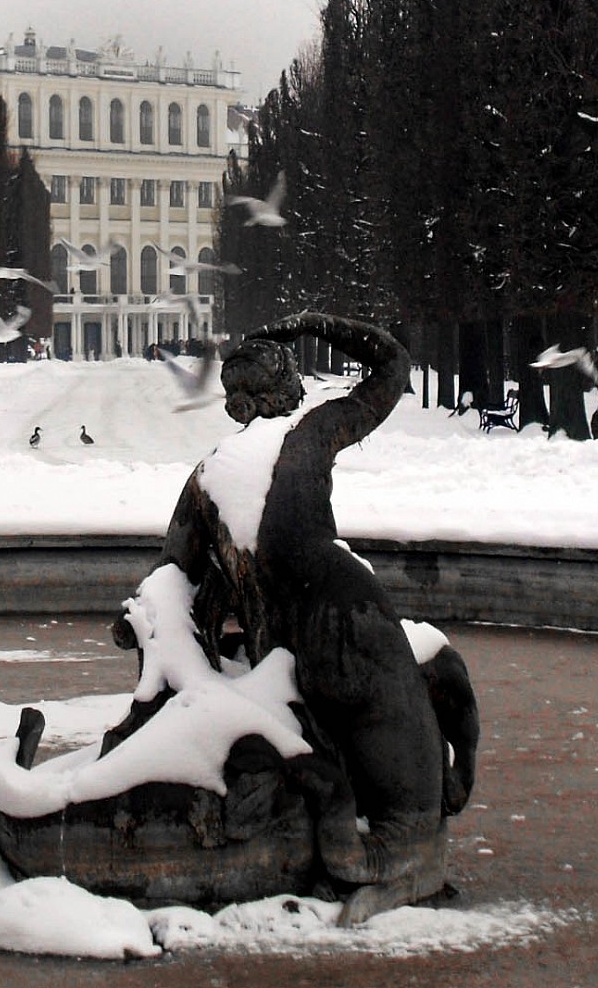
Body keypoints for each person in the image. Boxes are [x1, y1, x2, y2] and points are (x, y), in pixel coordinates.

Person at [156, 311, 479, 922]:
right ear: (289, 390)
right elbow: (393, 363)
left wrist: (185, 656)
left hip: (281, 657)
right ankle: (408, 839)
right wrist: (313, 323)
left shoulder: (206, 476)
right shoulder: (311, 432)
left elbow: (172, 573)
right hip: (344, 615)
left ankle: (350, 844)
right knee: (415, 710)